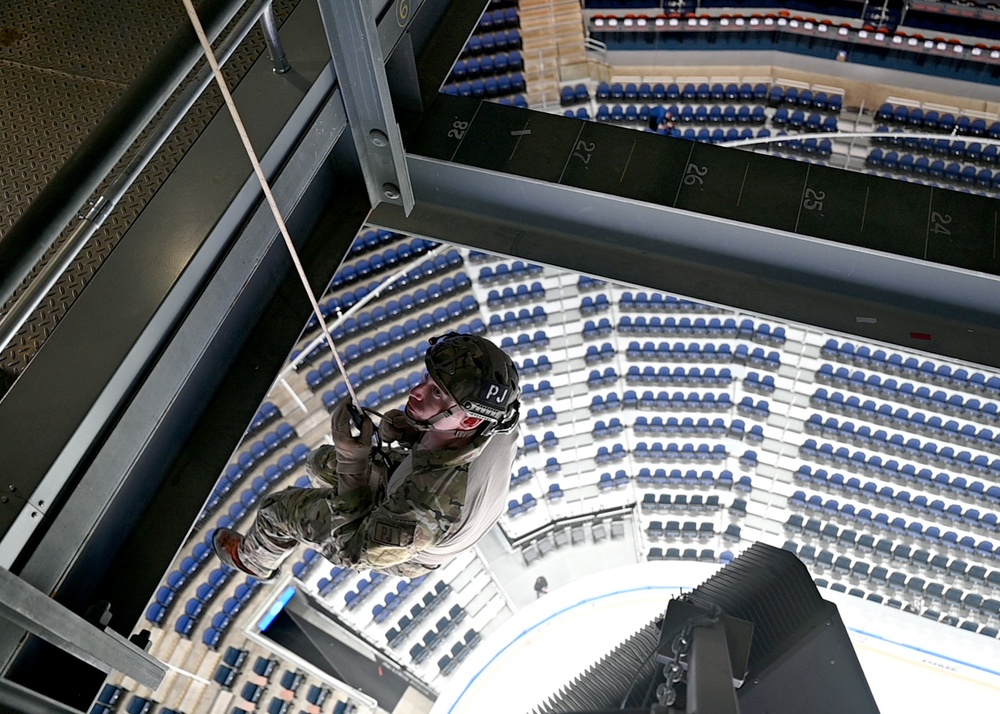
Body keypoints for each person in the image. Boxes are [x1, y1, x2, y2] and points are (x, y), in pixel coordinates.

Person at [213, 332, 521, 580]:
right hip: (421, 483)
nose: (416, 391)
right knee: (319, 463)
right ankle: (333, 502)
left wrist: (352, 461)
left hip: (398, 542)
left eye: (436, 393)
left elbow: (351, 551)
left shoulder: (427, 508)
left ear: (468, 420)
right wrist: (411, 432)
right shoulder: (498, 418)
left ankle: (253, 561)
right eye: (427, 380)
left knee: (276, 511)